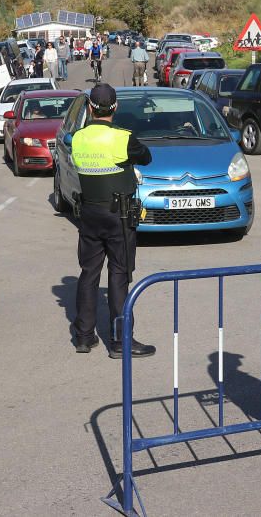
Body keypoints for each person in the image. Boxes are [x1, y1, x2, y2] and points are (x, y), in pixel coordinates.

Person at [70, 83, 155, 359]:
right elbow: (146, 157)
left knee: (89, 273)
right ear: (115, 108)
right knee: (118, 275)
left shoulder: (78, 138)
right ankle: (120, 341)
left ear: (90, 108)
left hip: (89, 214)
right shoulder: (122, 138)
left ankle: (84, 337)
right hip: (118, 215)